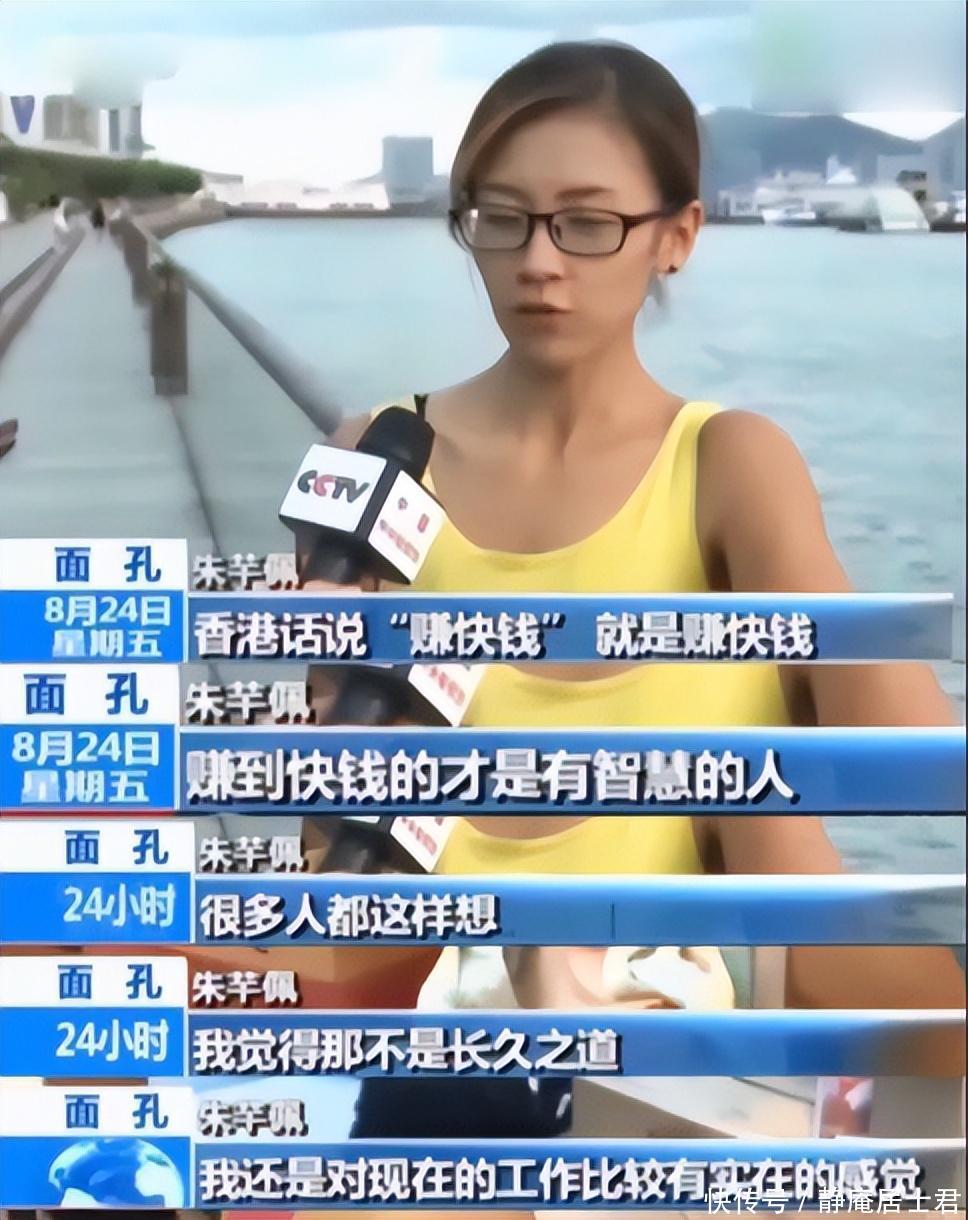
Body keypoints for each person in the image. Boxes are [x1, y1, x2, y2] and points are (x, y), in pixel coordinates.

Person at [303, 39, 965, 1135]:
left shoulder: (729, 465)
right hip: (442, 1045)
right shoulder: (375, 454)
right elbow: (333, 859)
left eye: (586, 222)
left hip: (679, 1070)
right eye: (502, 218)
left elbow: (912, 756)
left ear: (677, 235)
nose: (539, 260)